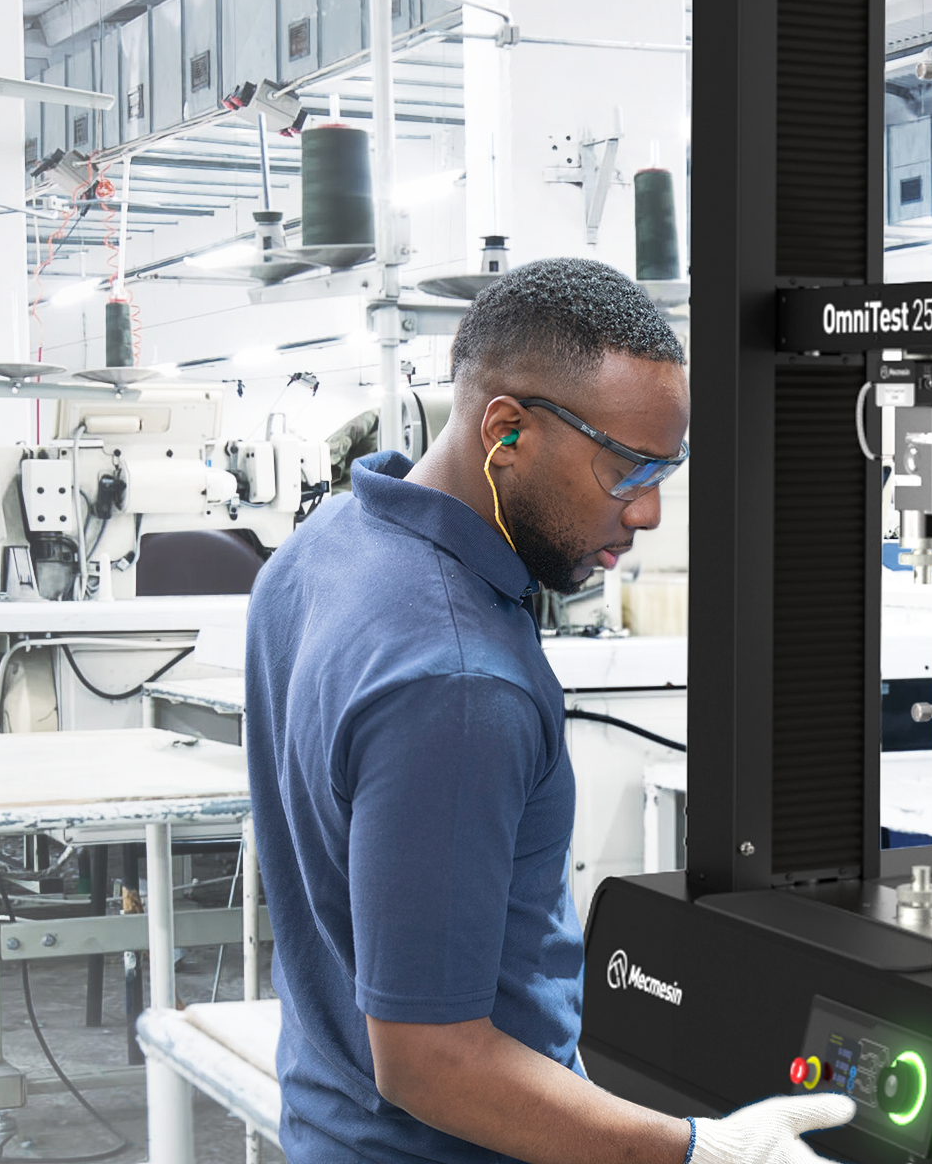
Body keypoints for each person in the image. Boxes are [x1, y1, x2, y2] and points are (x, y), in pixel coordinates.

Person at [246, 257, 854, 1164]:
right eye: (625, 470)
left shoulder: (324, 548)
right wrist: (702, 1152)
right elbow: (430, 1060)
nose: (646, 511)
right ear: (507, 432)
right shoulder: (457, 685)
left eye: (666, 470)